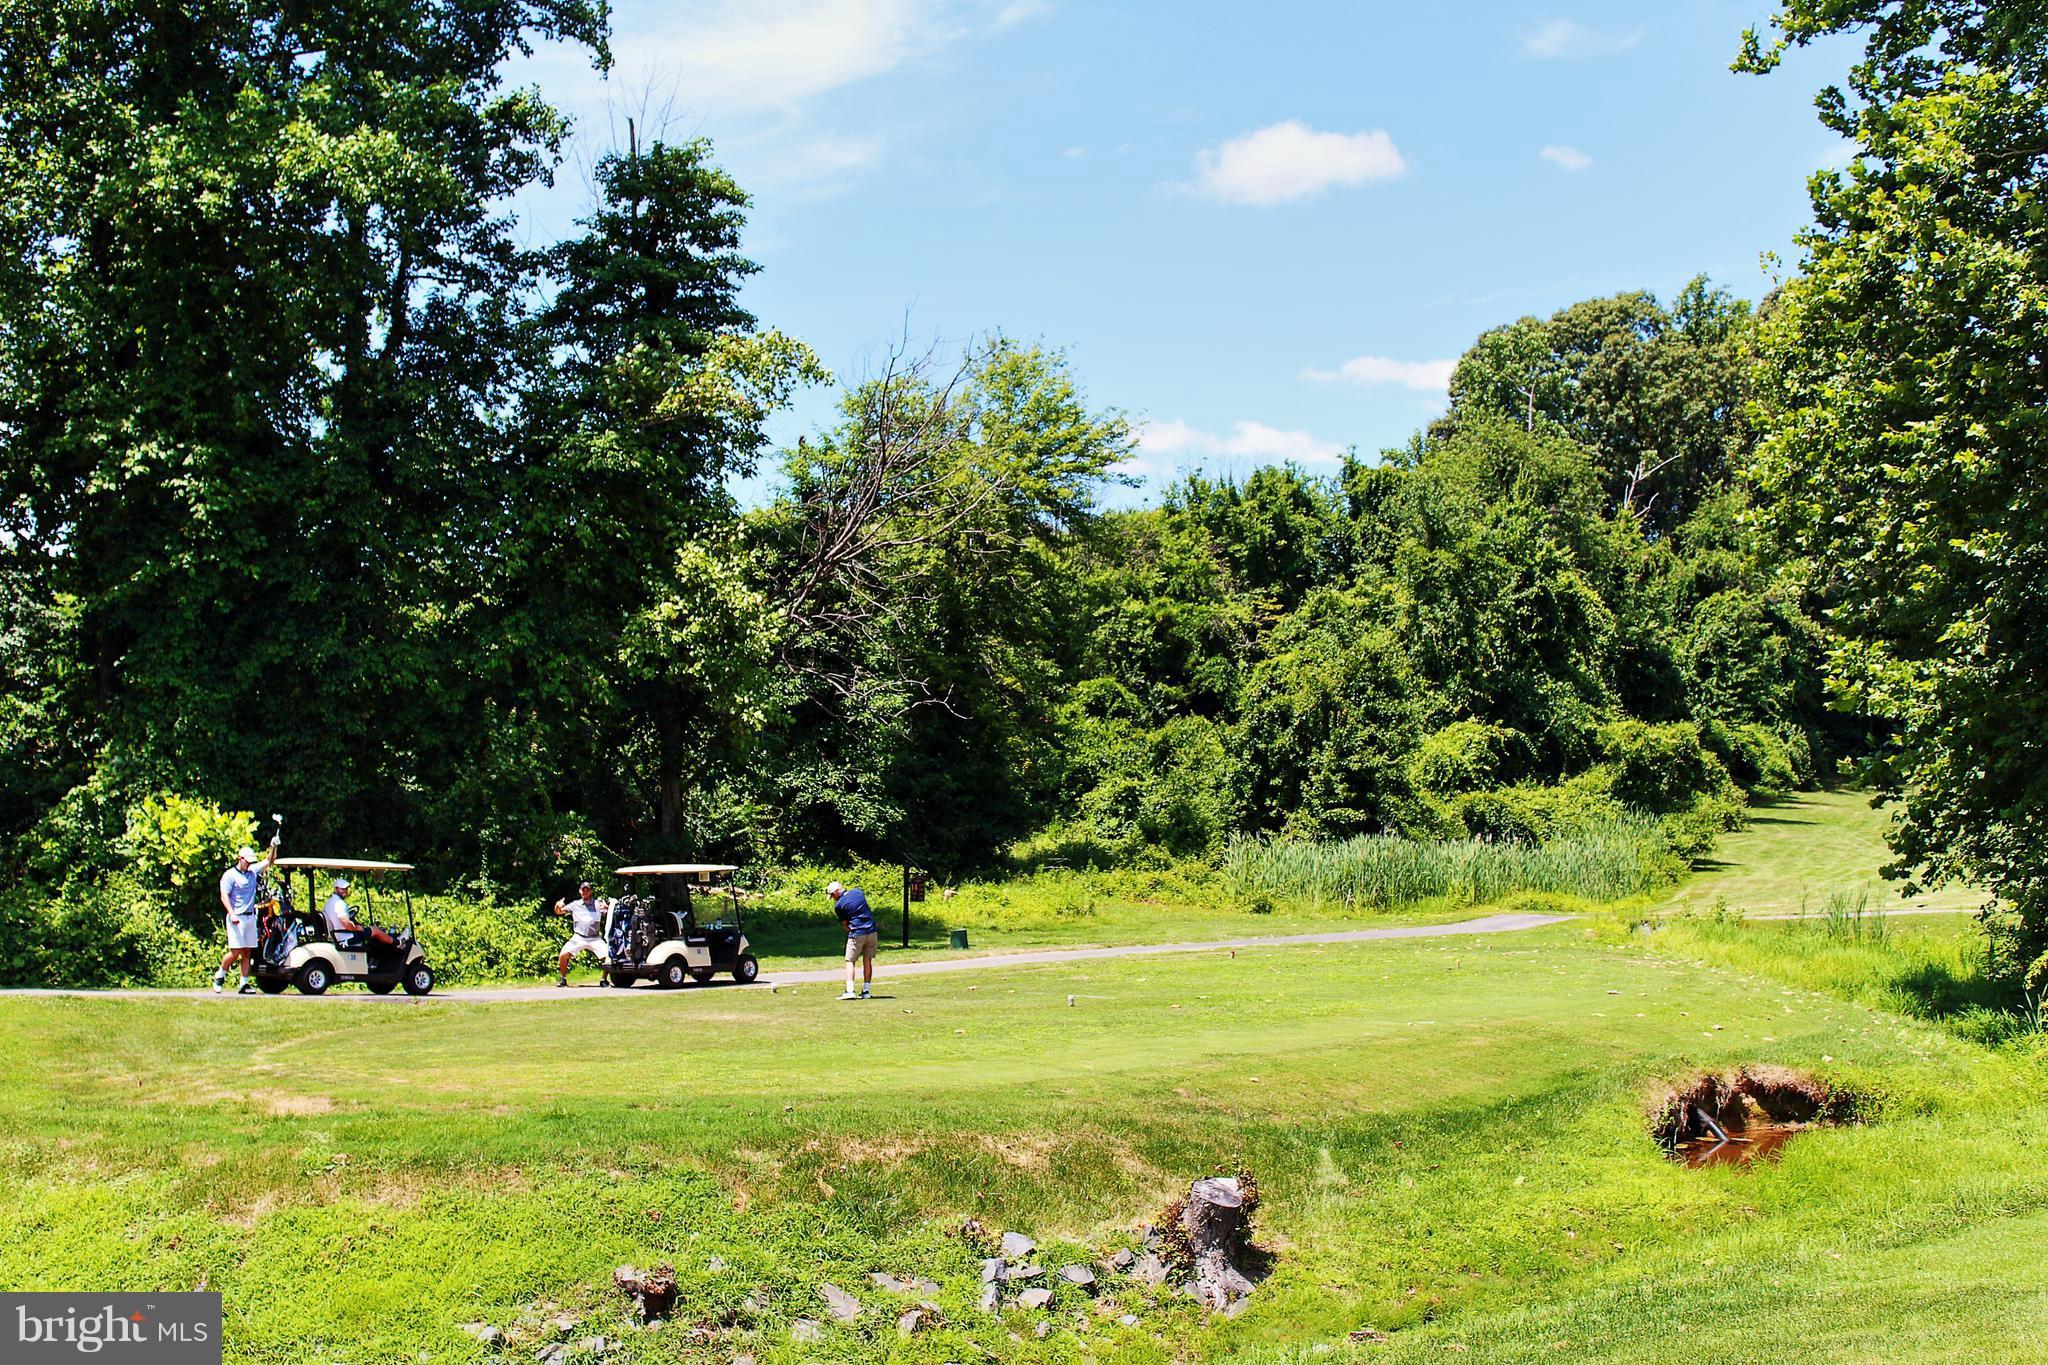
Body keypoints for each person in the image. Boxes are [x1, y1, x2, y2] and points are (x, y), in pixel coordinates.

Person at [214, 837, 279, 995]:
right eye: (247, 861)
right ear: (240, 859)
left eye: (251, 861)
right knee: (235, 952)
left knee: (247, 952)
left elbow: (269, 861)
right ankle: (220, 975)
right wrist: (232, 913)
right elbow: (224, 896)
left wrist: (273, 846)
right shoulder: (229, 875)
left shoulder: (253, 871)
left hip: (250, 917)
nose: (249, 864)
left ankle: (244, 984)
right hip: (236, 917)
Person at [552, 881, 612, 987]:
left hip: (594, 938)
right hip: (579, 937)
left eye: (587, 890)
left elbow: (609, 911)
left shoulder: (597, 904)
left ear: (591, 891)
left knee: (608, 956)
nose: (585, 892)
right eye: (583, 890)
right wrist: (558, 905)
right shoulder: (575, 905)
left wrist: (607, 907)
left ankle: (604, 979)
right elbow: (559, 912)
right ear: (580, 891)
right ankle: (563, 978)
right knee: (563, 955)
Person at [828, 880, 877, 1001]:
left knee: (850, 961)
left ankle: (849, 991)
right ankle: (866, 991)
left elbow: (845, 925)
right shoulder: (858, 892)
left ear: (837, 892)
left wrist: (852, 933)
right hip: (872, 931)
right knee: (867, 960)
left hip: (857, 932)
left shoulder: (839, 906)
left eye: (833, 895)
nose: (833, 898)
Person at [321, 877, 395, 952]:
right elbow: (345, 922)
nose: (345, 891)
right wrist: (356, 928)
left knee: (368, 932)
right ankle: (396, 943)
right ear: (336, 889)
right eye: (342, 889)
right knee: (374, 930)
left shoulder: (330, 902)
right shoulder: (339, 903)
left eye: (346, 889)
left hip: (338, 936)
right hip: (346, 937)